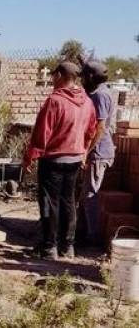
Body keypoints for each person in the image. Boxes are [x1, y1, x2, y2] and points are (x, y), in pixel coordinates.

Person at [23, 61, 97, 260]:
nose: (52, 79)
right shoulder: (87, 102)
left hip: (53, 160)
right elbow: (91, 130)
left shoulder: (55, 101)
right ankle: (68, 246)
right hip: (74, 160)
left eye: (54, 75)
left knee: (49, 203)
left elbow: (41, 133)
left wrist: (30, 156)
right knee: (68, 202)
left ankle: (49, 247)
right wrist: (83, 153)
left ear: (62, 76)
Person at [78, 60, 116, 246]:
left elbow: (100, 128)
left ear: (91, 77)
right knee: (85, 193)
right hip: (97, 152)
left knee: (90, 194)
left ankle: (92, 237)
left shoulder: (101, 95)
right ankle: (84, 230)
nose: (82, 80)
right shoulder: (99, 92)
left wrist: (86, 151)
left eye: (84, 76)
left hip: (99, 153)